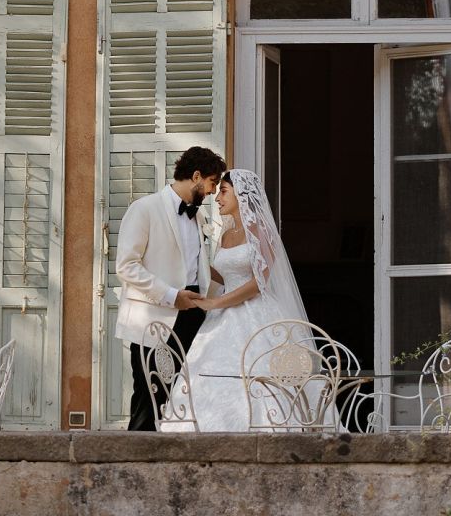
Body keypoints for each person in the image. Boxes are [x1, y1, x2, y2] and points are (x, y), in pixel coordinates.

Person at [159, 168, 315, 432]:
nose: (217, 197)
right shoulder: (226, 235)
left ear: (241, 195)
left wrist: (217, 304)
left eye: (223, 191)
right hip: (220, 318)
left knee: (261, 374)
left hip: (257, 315)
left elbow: (258, 283)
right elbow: (219, 276)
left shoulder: (262, 233)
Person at [113, 145, 226, 430]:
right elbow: (126, 266)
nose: (213, 192)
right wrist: (171, 296)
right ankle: (135, 465)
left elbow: (195, 267)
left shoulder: (197, 216)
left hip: (193, 316)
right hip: (154, 317)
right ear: (197, 176)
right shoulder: (144, 209)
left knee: (184, 397)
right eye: (212, 183)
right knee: (149, 397)